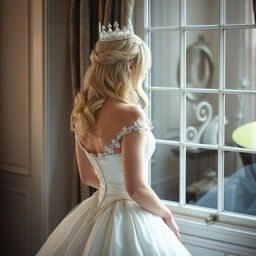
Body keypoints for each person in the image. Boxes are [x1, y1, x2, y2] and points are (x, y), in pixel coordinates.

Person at [36, 20, 192, 256]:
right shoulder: (130, 114)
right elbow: (136, 188)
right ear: (130, 66)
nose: (145, 74)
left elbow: (87, 176)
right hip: (130, 215)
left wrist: (113, 189)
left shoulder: (82, 112)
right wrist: (166, 213)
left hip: (97, 208)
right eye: (144, 69)